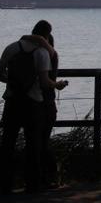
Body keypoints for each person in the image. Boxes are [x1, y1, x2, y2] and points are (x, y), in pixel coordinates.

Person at [0, 20, 68, 193]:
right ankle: (32, 184)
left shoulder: (11, 47)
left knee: (7, 143)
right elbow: (44, 81)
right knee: (33, 144)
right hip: (32, 103)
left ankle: (5, 184)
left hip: (12, 101)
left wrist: (13, 83)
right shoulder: (42, 52)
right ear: (46, 35)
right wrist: (56, 85)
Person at [40, 33, 61, 188]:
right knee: (42, 142)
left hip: (43, 105)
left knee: (40, 142)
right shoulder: (47, 58)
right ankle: (51, 176)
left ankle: (50, 176)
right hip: (48, 104)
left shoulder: (47, 56)